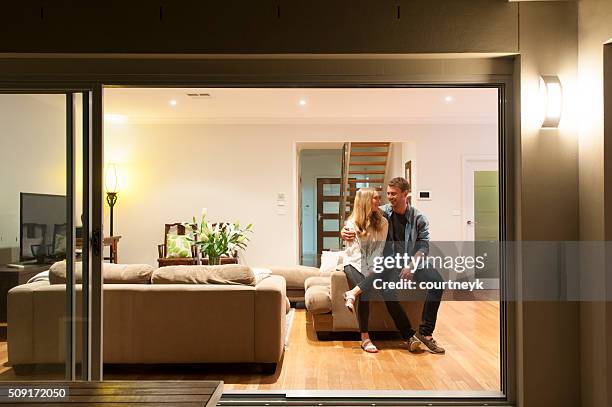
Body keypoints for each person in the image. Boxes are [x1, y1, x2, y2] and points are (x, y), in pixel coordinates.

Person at [341, 177, 446, 354]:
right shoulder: (383, 212)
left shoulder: (418, 218)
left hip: (413, 262)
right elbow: (360, 214)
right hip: (389, 264)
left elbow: (423, 246)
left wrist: (412, 265)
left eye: (394, 194)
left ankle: (426, 334)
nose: (389, 197)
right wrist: (344, 230)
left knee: (438, 283)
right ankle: (408, 336)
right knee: (389, 291)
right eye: (388, 194)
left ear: (406, 194)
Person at [341, 188, 388, 353]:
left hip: (372, 264)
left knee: (376, 274)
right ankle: (365, 338)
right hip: (352, 263)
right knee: (366, 291)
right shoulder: (351, 223)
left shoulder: (383, 222)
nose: (379, 200)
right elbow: (353, 252)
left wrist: (371, 267)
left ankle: (352, 293)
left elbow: (379, 249)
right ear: (366, 201)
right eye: (375, 198)